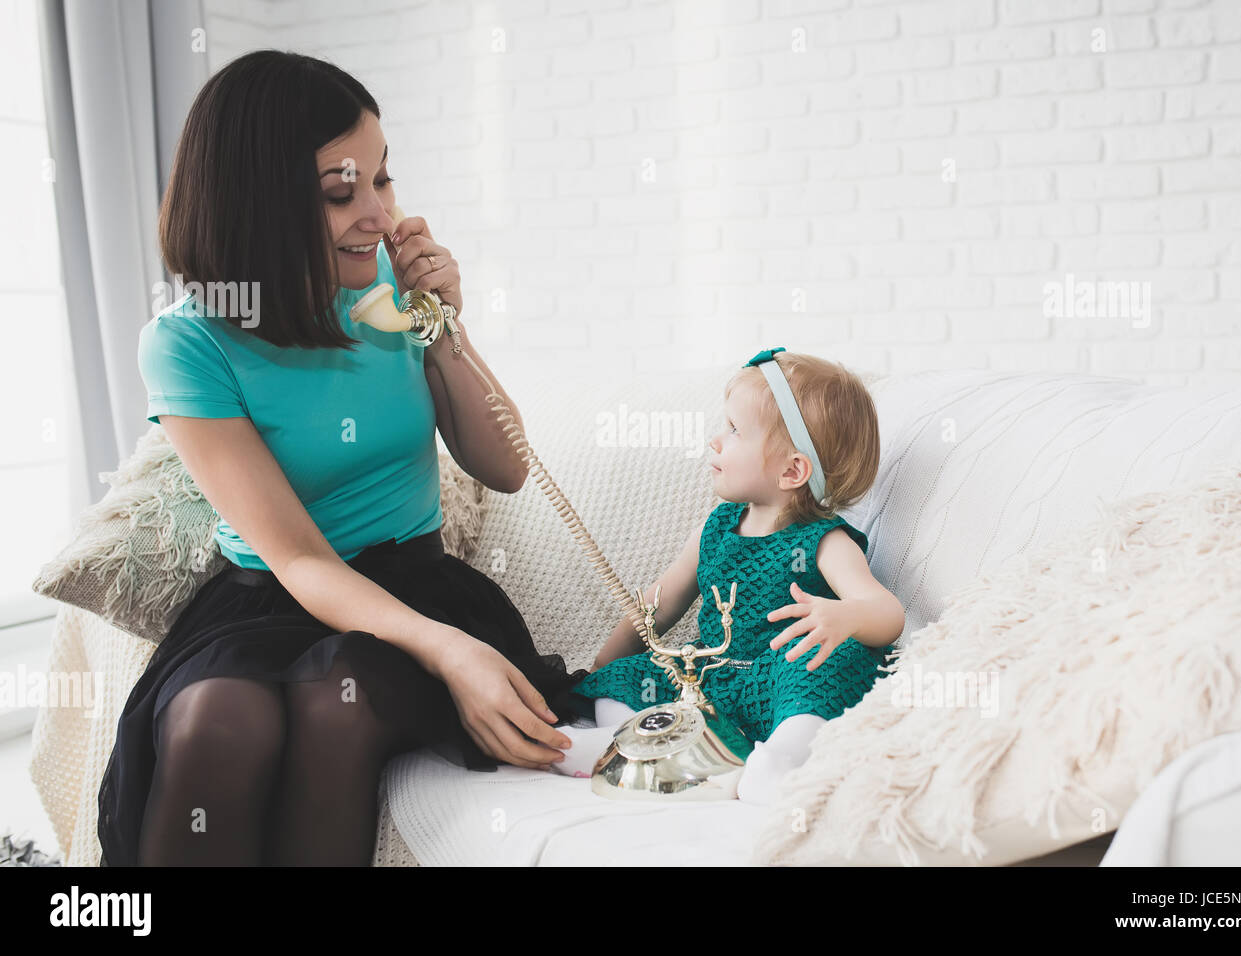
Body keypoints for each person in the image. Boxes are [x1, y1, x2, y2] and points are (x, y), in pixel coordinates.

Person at [97, 50, 588, 867]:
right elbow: (293, 554)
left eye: (383, 180)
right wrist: (445, 650)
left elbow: (504, 465)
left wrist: (442, 323)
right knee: (215, 718)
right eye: (340, 191)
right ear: (260, 205)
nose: (378, 214)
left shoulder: (394, 295)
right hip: (276, 598)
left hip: (415, 585)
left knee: (336, 700)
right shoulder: (187, 342)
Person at [551, 348, 905, 804]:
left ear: (792, 469)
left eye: (735, 431)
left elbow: (888, 613)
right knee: (631, 675)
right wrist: (606, 663)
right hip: (709, 680)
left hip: (779, 679)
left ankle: (781, 758)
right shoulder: (715, 529)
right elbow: (659, 604)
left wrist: (845, 618)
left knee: (832, 662)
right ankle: (624, 742)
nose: (716, 440)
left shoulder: (824, 542)